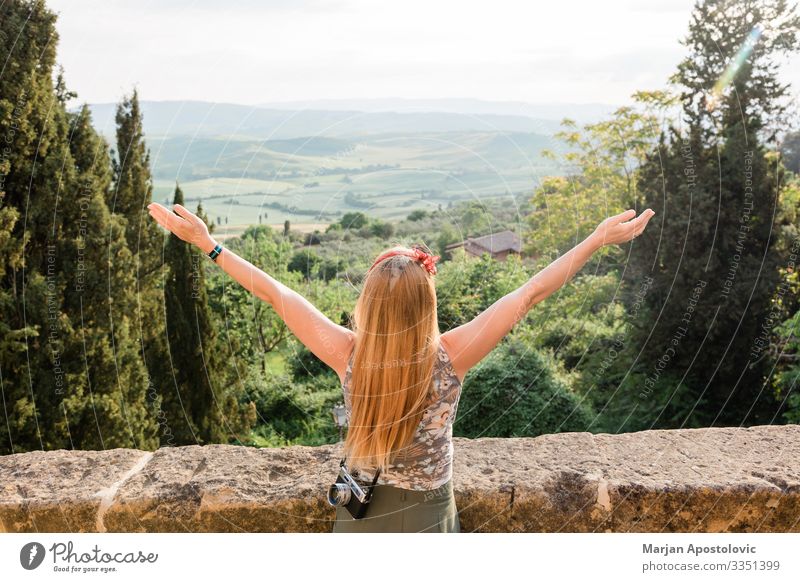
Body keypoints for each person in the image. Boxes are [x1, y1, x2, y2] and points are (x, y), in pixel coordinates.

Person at [147, 203, 655, 533]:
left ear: (368, 303)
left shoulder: (346, 354)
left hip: (358, 511)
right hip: (428, 519)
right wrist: (594, 239)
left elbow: (278, 295)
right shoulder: (452, 355)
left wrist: (209, 245)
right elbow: (529, 293)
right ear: (427, 304)